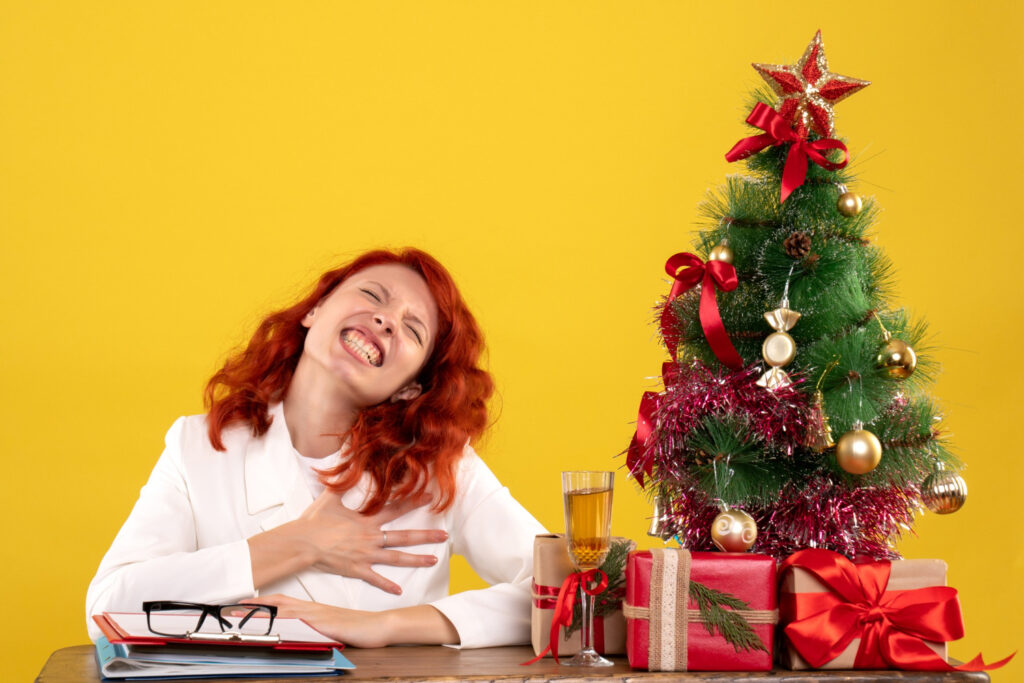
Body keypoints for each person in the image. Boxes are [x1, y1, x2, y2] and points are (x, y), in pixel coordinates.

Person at [86, 248, 546, 648]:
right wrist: (296, 545)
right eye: (372, 295)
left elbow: (568, 591)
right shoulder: (199, 446)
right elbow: (108, 608)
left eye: (413, 329)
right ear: (315, 310)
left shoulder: (440, 466)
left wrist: (384, 625)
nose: (386, 320)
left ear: (411, 387)